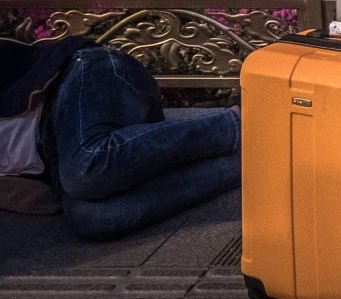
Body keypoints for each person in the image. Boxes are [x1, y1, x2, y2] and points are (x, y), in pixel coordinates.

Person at [0, 36, 240, 239]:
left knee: (85, 167)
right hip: (65, 153)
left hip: (82, 75)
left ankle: (239, 123)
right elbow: (46, 201)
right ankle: (242, 166)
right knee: (92, 218)